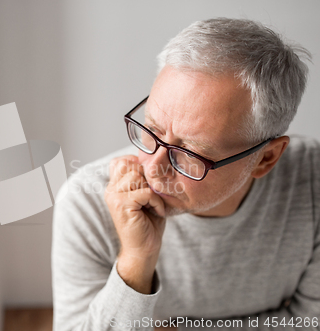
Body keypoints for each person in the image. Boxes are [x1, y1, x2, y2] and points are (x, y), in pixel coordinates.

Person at [51, 18, 320, 331]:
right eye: (152, 130)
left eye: (190, 153)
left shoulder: (312, 185)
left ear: (266, 158)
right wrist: (136, 261)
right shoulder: (87, 201)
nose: (153, 168)